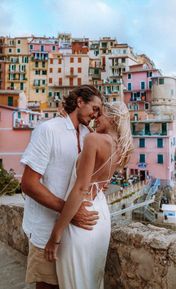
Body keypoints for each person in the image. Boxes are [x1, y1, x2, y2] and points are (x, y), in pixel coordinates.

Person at [20, 85, 103, 289]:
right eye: (94, 108)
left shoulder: (88, 136)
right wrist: (70, 211)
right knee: (48, 285)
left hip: (74, 233)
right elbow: (28, 184)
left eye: (99, 111)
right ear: (79, 102)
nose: (96, 114)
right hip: (46, 229)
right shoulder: (48, 129)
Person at [44, 101, 133, 289]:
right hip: (100, 215)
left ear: (113, 118)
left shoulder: (94, 140)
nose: (95, 118)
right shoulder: (122, 149)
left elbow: (80, 189)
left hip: (81, 217)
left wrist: (55, 236)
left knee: (75, 282)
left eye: (100, 114)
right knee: (92, 280)